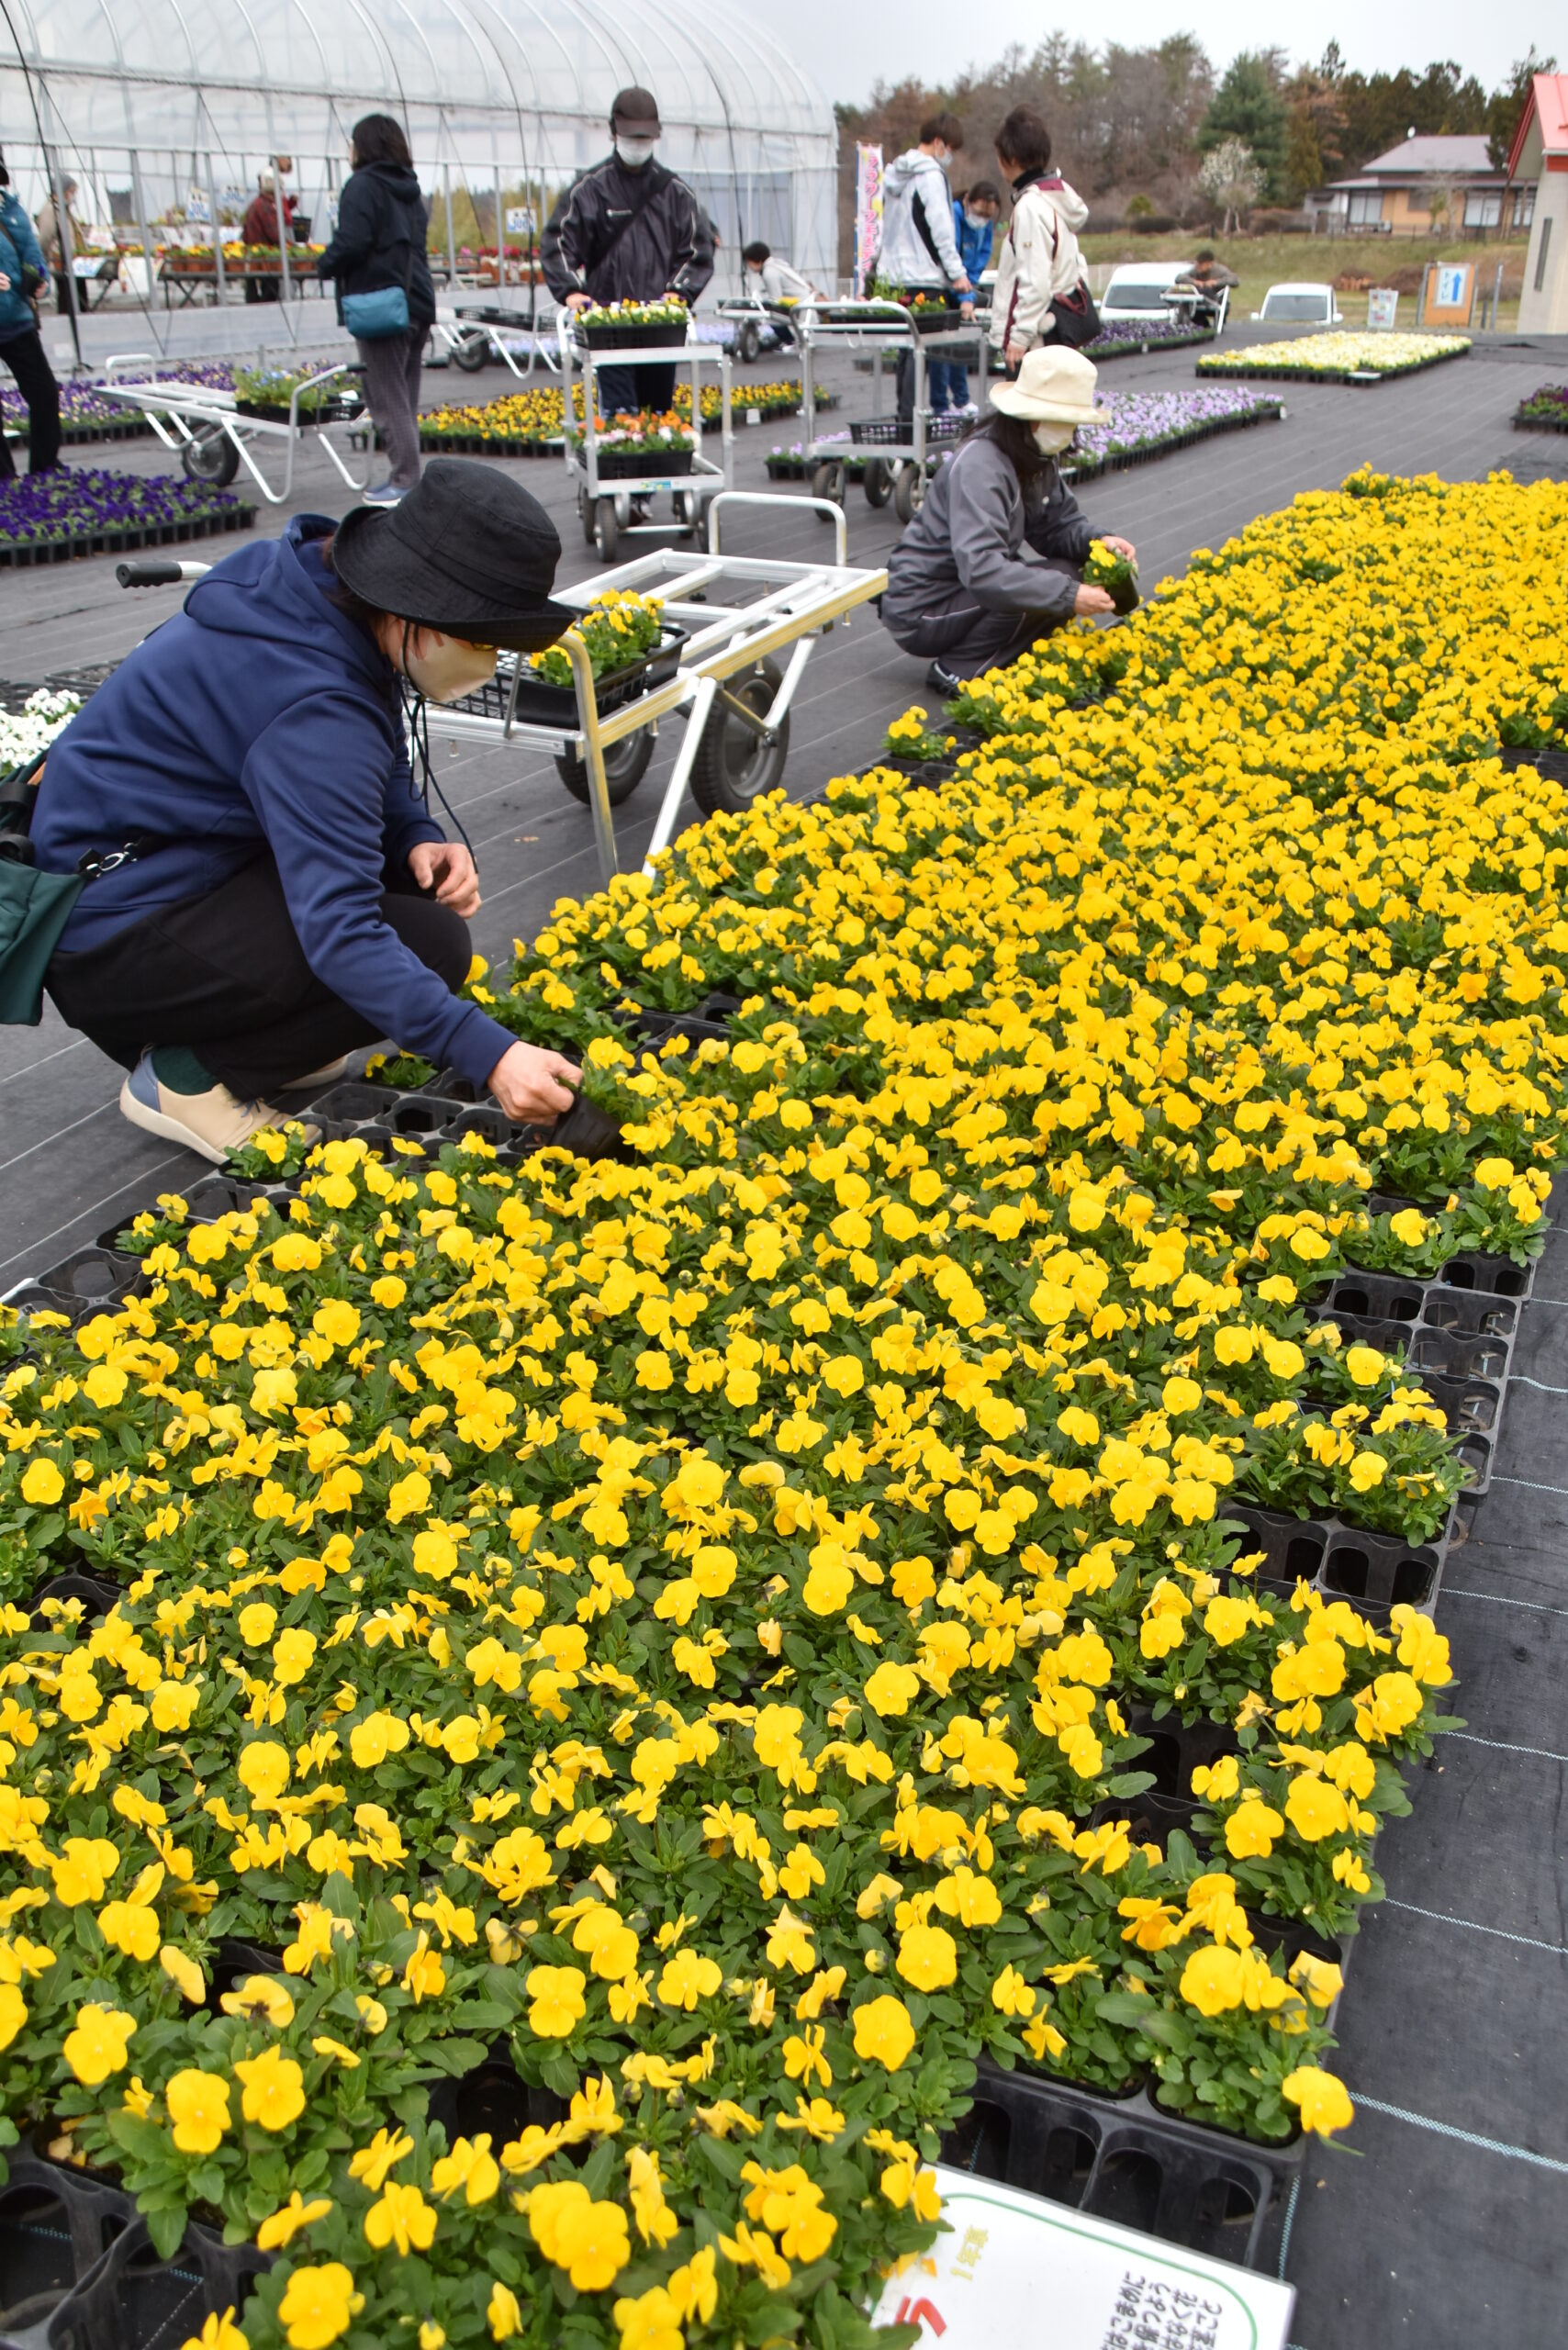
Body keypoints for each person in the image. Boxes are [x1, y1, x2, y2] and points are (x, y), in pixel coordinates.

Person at [33, 461, 583, 1164]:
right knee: (429, 946)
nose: (491, 657)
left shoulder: (314, 590)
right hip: (114, 935)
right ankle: (183, 1079)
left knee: (412, 901)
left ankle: (266, 1039)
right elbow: (341, 929)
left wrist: (414, 832)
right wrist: (495, 1056)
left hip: (153, 873)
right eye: (483, 638)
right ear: (419, 613)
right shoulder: (313, 706)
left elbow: (367, 743)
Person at [879, 346, 1137, 696]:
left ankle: (1000, 654)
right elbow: (983, 570)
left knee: (1070, 570)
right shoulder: (981, 465)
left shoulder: (1034, 456)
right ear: (1027, 414)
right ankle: (957, 669)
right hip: (922, 606)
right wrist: (1069, 594)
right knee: (1054, 585)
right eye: (1061, 419)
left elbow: (1056, 525)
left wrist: (1100, 541)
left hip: (960, 591)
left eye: (1071, 421)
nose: (1068, 430)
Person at [542, 85, 715, 423]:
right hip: (609, 327)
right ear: (614, 133)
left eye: (644, 138)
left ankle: (656, 471)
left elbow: (698, 250)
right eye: (630, 137)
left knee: (658, 416)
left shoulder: (675, 193)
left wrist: (679, 292)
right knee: (621, 419)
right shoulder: (590, 189)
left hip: (660, 326)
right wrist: (571, 291)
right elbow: (557, 242)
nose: (637, 144)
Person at [319, 117, 437, 508]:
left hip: (381, 305)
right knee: (404, 395)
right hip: (416, 300)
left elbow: (353, 242)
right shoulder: (409, 189)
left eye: (351, 143)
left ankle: (406, 480)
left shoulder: (362, 186)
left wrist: (324, 264)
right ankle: (408, 478)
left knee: (387, 399)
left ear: (363, 146)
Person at [876, 112, 973, 430]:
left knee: (907, 351)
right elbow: (941, 231)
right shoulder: (931, 177)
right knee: (927, 350)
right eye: (951, 148)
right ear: (938, 142)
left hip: (894, 278)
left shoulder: (893, 177)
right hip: (925, 277)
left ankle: (906, 419)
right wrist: (957, 274)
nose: (951, 156)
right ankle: (918, 424)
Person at [990, 106, 1091, 371]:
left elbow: (1035, 280)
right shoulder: (1057, 198)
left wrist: (1019, 337)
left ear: (1010, 158)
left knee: (1031, 412)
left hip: (1038, 340)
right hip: (1059, 330)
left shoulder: (1030, 207)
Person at [0, 153, 61, 483]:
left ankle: (44, 466)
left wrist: (39, 283)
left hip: (16, 320)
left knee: (45, 393)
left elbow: (35, 259)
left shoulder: (12, 213)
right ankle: (4, 478)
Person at [929, 179, 1000, 413]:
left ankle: (961, 398)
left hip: (965, 286)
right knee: (941, 347)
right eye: (979, 213)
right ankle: (940, 403)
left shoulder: (984, 225)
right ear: (968, 201)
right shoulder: (954, 216)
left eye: (987, 216)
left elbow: (982, 255)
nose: (981, 220)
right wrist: (964, 296)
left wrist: (970, 288)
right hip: (946, 284)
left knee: (959, 343)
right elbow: (952, 258)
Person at [241, 169, 293, 303]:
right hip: (266, 257)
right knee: (271, 289)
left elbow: (244, 235)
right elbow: (274, 234)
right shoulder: (266, 206)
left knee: (253, 290)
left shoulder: (256, 203)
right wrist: (289, 245)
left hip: (254, 254)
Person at [35, 174, 84, 316]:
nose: (73, 196)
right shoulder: (51, 210)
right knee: (66, 295)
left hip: (72, 261)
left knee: (75, 294)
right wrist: (44, 257)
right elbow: (45, 237)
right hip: (60, 261)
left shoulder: (63, 209)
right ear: (62, 191)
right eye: (72, 191)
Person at [741, 240, 820, 305]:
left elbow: (776, 301)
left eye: (748, 262)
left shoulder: (769, 272)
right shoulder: (777, 265)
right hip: (806, 306)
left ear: (757, 259)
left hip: (802, 311)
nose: (748, 266)